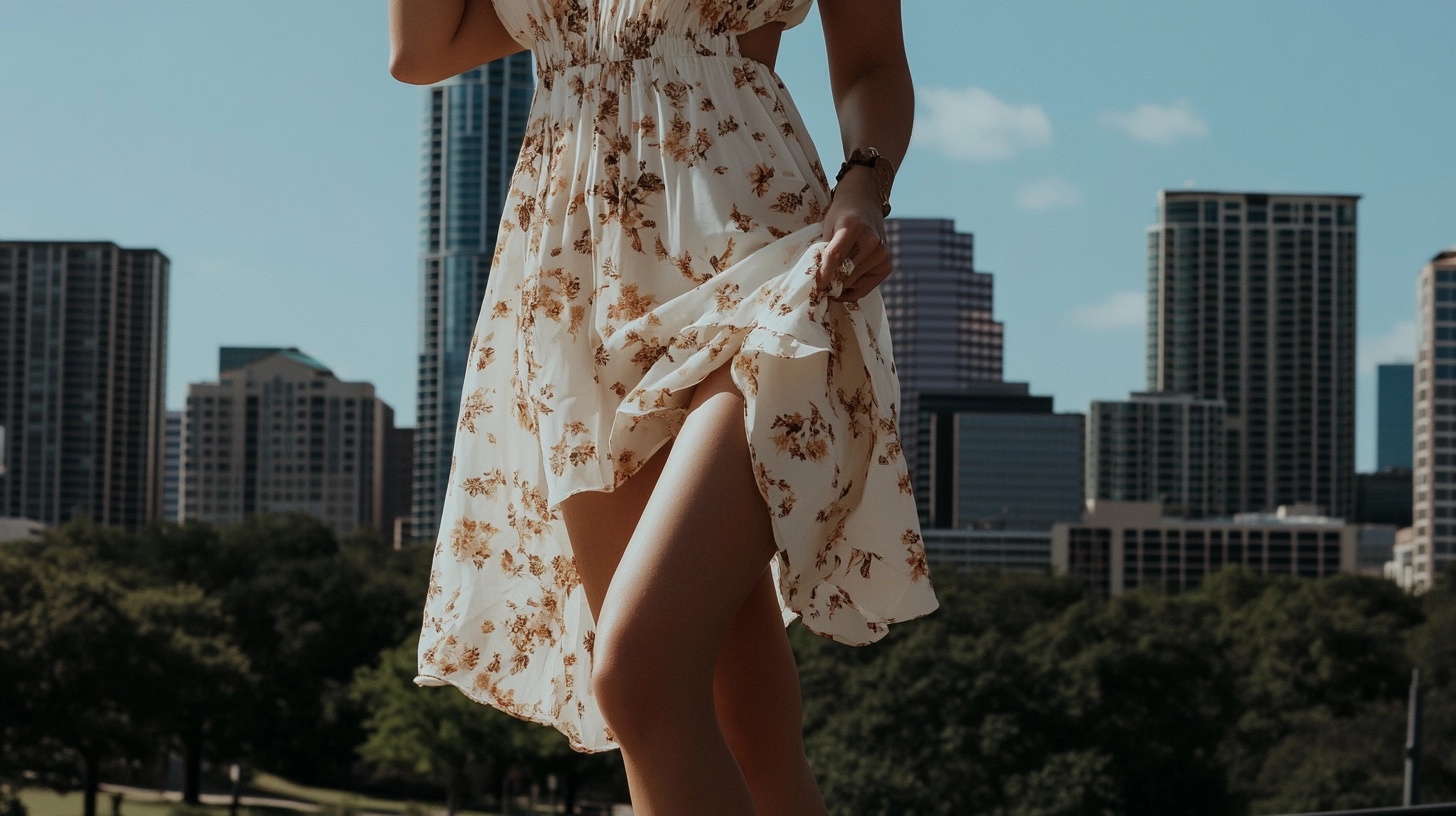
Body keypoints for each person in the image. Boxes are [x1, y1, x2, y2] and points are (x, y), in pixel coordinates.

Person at [389, 1, 938, 812]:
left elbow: (872, 65)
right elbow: (421, 50)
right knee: (744, 731)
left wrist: (863, 187)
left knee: (640, 674)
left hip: (760, 263)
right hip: (578, 297)